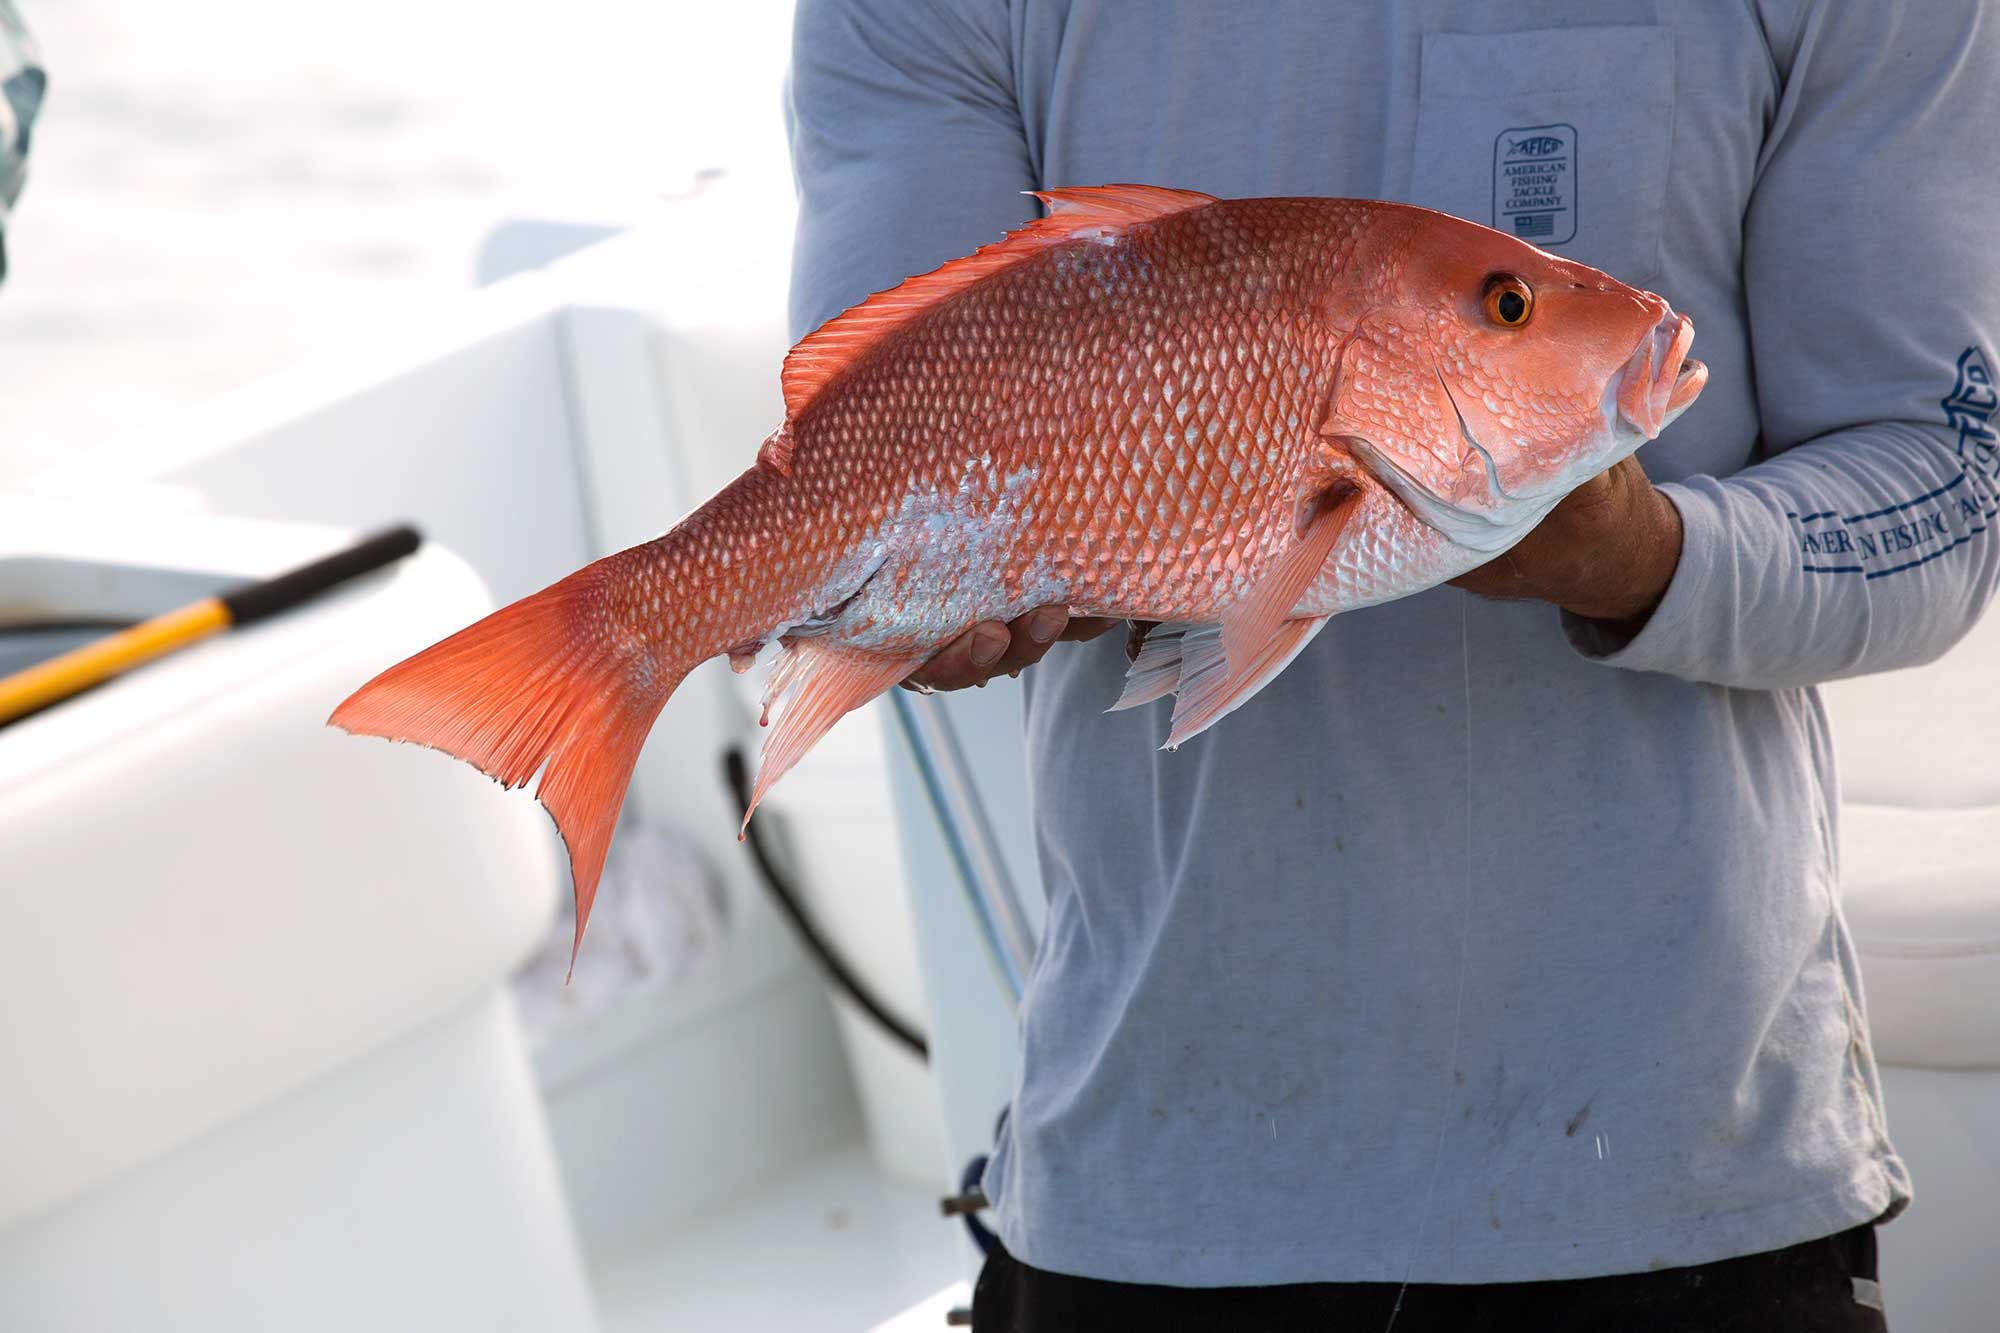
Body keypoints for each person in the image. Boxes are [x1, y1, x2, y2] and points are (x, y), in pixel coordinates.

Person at [787, 4, 1999, 1328]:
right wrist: (927, 586)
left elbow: (1941, 481)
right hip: (1152, 1170)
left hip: (1686, 1174)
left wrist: (1645, 557)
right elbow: (864, 445)